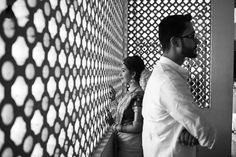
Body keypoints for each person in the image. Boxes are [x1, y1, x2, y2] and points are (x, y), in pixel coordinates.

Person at [142, 14, 216, 157]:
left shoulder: (163, 73)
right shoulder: (169, 81)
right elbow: (206, 132)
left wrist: (187, 128)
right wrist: (196, 132)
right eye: (191, 36)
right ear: (175, 42)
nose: (197, 41)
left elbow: (173, 119)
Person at [106, 55, 145, 157]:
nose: (120, 75)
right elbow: (125, 114)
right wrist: (114, 99)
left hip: (131, 146)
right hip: (123, 142)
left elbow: (137, 126)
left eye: (123, 71)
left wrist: (115, 127)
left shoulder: (138, 96)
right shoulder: (131, 93)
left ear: (133, 74)